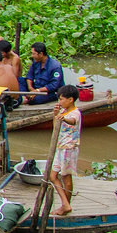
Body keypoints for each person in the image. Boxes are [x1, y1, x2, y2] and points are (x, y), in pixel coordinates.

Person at [50, 84, 81, 215]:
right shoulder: (63, 111)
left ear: (71, 99)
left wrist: (64, 118)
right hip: (60, 147)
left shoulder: (75, 113)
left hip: (69, 148)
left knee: (66, 178)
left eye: (62, 99)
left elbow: (72, 121)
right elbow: (55, 127)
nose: (60, 102)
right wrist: (56, 114)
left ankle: (65, 206)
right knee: (52, 176)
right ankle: (66, 204)